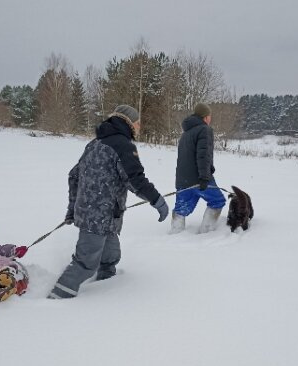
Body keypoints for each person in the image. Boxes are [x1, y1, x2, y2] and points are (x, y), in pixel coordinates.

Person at [48, 105, 169, 299]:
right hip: (98, 217)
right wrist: (157, 200)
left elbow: (73, 176)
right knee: (86, 263)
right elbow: (135, 178)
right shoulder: (123, 145)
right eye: (138, 123)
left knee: (110, 256)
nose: (139, 127)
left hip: (104, 216)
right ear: (129, 122)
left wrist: (73, 208)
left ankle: (107, 289)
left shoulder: (94, 143)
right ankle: (56, 297)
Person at [171, 102, 226, 234]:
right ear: (205, 117)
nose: (210, 118)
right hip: (198, 178)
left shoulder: (185, 133)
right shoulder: (204, 129)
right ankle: (205, 233)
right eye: (209, 116)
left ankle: (175, 234)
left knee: (181, 208)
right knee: (217, 201)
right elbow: (203, 156)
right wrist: (204, 176)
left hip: (182, 180)